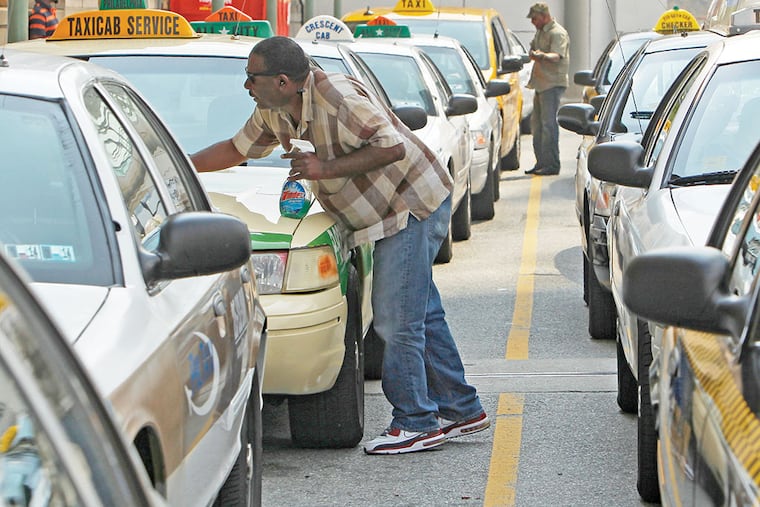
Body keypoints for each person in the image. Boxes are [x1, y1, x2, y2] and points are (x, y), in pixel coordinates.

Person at [190, 36, 489, 455]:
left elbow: (392, 145)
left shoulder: (338, 97)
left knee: (395, 320)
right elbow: (235, 150)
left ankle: (416, 421)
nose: (246, 86)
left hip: (409, 204)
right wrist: (179, 166)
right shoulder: (274, 111)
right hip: (384, 211)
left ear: (281, 81)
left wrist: (323, 168)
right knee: (420, 312)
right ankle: (462, 409)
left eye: (250, 77)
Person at [524, 2, 570, 176]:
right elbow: (533, 46)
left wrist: (540, 56)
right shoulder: (541, 32)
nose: (533, 22)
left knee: (548, 125)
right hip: (540, 84)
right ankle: (541, 162)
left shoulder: (557, 33)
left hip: (552, 84)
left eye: (535, 19)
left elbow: (557, 55)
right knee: (537, 126)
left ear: (544, 16)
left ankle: (552, 164)